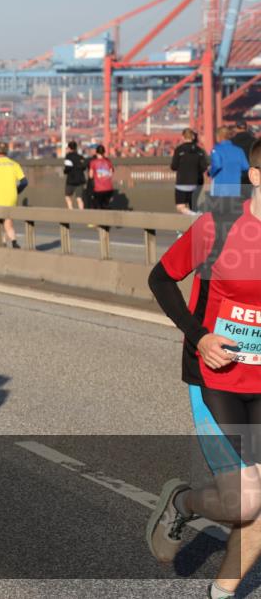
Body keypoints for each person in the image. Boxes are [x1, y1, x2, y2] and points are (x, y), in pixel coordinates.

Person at [145, 141, 261, 599]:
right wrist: (201, 336)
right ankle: (183, 502)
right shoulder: (221, 224)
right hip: (217, 378)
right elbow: (161, 277)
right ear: (255, 175)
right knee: (244, 500)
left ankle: (222, 592)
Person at [0, 142, 27, 249]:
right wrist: (17, 191)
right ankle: (13, 241)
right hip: (12, 197)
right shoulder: (15, 164)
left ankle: (2, 243)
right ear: (7, 152)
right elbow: (24, 182)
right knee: (8, 221)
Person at [171, 129, 208, 215]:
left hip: (182, 182)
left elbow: (174, 166)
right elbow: (203, 167)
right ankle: (195, 219)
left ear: (183, 137)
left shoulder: (179, 150)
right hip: (196, 183)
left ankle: (196, 216)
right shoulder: (200, 151)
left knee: (180, 207)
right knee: (193, 205)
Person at [210, 127, 250, 202]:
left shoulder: (216, 149)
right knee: (232, 208)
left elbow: (217, 165)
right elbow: (245, 166)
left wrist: (211, 173)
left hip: (220, 184)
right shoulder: (239, 150)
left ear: (219, 136)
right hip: (235, 185)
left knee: (220, 208)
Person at [88, 145, 115, 210]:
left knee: (97, 207)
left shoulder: (93, 162)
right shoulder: (108, 162)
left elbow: (90, 176)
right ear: (104, 153)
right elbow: (111, 174)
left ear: (96, 153)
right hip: (109, 188)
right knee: (105, 206)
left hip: (98, 189)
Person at [63, 141, 87, 210]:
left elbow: (68, 168)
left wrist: (65, 171)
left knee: (68, 196)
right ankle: (82, 214)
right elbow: (84, 166)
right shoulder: (80, 157)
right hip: (80, 179)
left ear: (69, 148)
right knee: (79, 198)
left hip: (71, 180)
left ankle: (71, 212)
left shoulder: (68, 157)